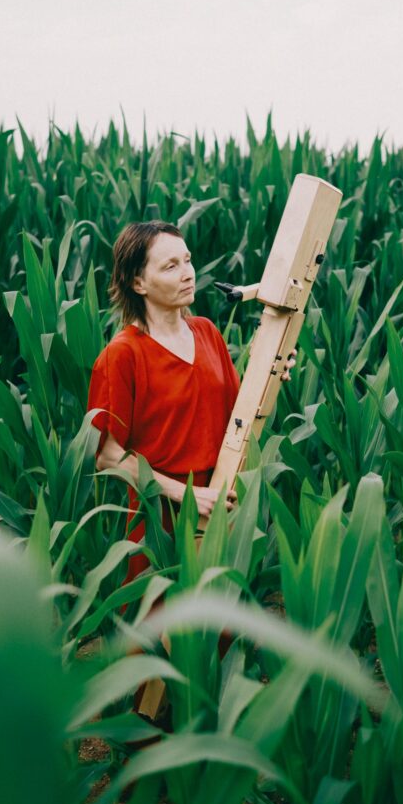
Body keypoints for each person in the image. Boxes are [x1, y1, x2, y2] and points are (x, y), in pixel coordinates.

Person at [87, 219, 295, 580]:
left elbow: (238, 419)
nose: (187, 273)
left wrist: (270, 377)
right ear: (138, 283)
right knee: (164, 613)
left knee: (221, 610)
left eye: (187, 260)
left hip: (221, 502)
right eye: (170, 266)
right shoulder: (122, 355)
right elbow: (107, 455)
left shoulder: (207, 332)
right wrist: (186, 494)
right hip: (159, 522)